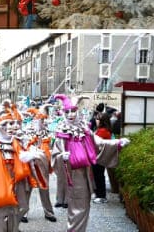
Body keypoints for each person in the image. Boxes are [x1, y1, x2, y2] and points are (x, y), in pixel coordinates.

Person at [51, 94, 129, 232]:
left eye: (73, 111)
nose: (70, 115)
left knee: (84, 206)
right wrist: (62, 157)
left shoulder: (85, 130)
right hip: (73, 176)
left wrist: (117, 143)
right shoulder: (61, 134)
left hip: (87, 174)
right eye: (67, 112)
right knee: (78, 208)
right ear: (63, 113)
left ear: (77, 111)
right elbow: (55, 156)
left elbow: (99, 143)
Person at [91, 112, 112, 204]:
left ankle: (101, 195)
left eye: (98, 119)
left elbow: (96, 142)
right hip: (99, 155)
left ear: (102, 121)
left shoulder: (102, 131)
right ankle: (99, 194)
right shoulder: (102, 130)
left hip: (99, 155)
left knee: (98, 175)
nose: (96, 120)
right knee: (98, 175)